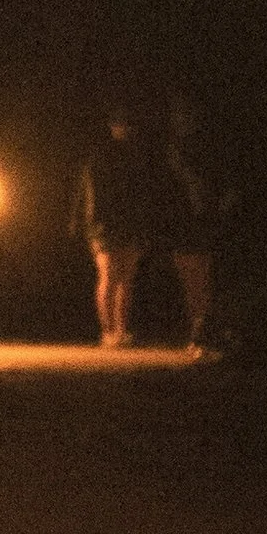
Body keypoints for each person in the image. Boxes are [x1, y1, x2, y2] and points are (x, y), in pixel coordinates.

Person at [72, 100, 159, 348]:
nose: (125, 130)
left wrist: (143, 223)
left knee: (126, 278)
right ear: (112, 127)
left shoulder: (138, 155)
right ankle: (107, 330)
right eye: (121, 125)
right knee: (109, 275)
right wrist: (92, 223)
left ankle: (122, 329)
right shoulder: (100, 156)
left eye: (129, 126)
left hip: (130, 223)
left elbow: (143, 192)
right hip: (105, 225)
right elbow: (89, 192)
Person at [160, 89, 220, 351]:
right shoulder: (179, 147)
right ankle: (200, 331)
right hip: (186, 223)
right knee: (195, 281)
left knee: (199, 280)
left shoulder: (191, 147)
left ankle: (202, 332)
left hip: (195, 223)